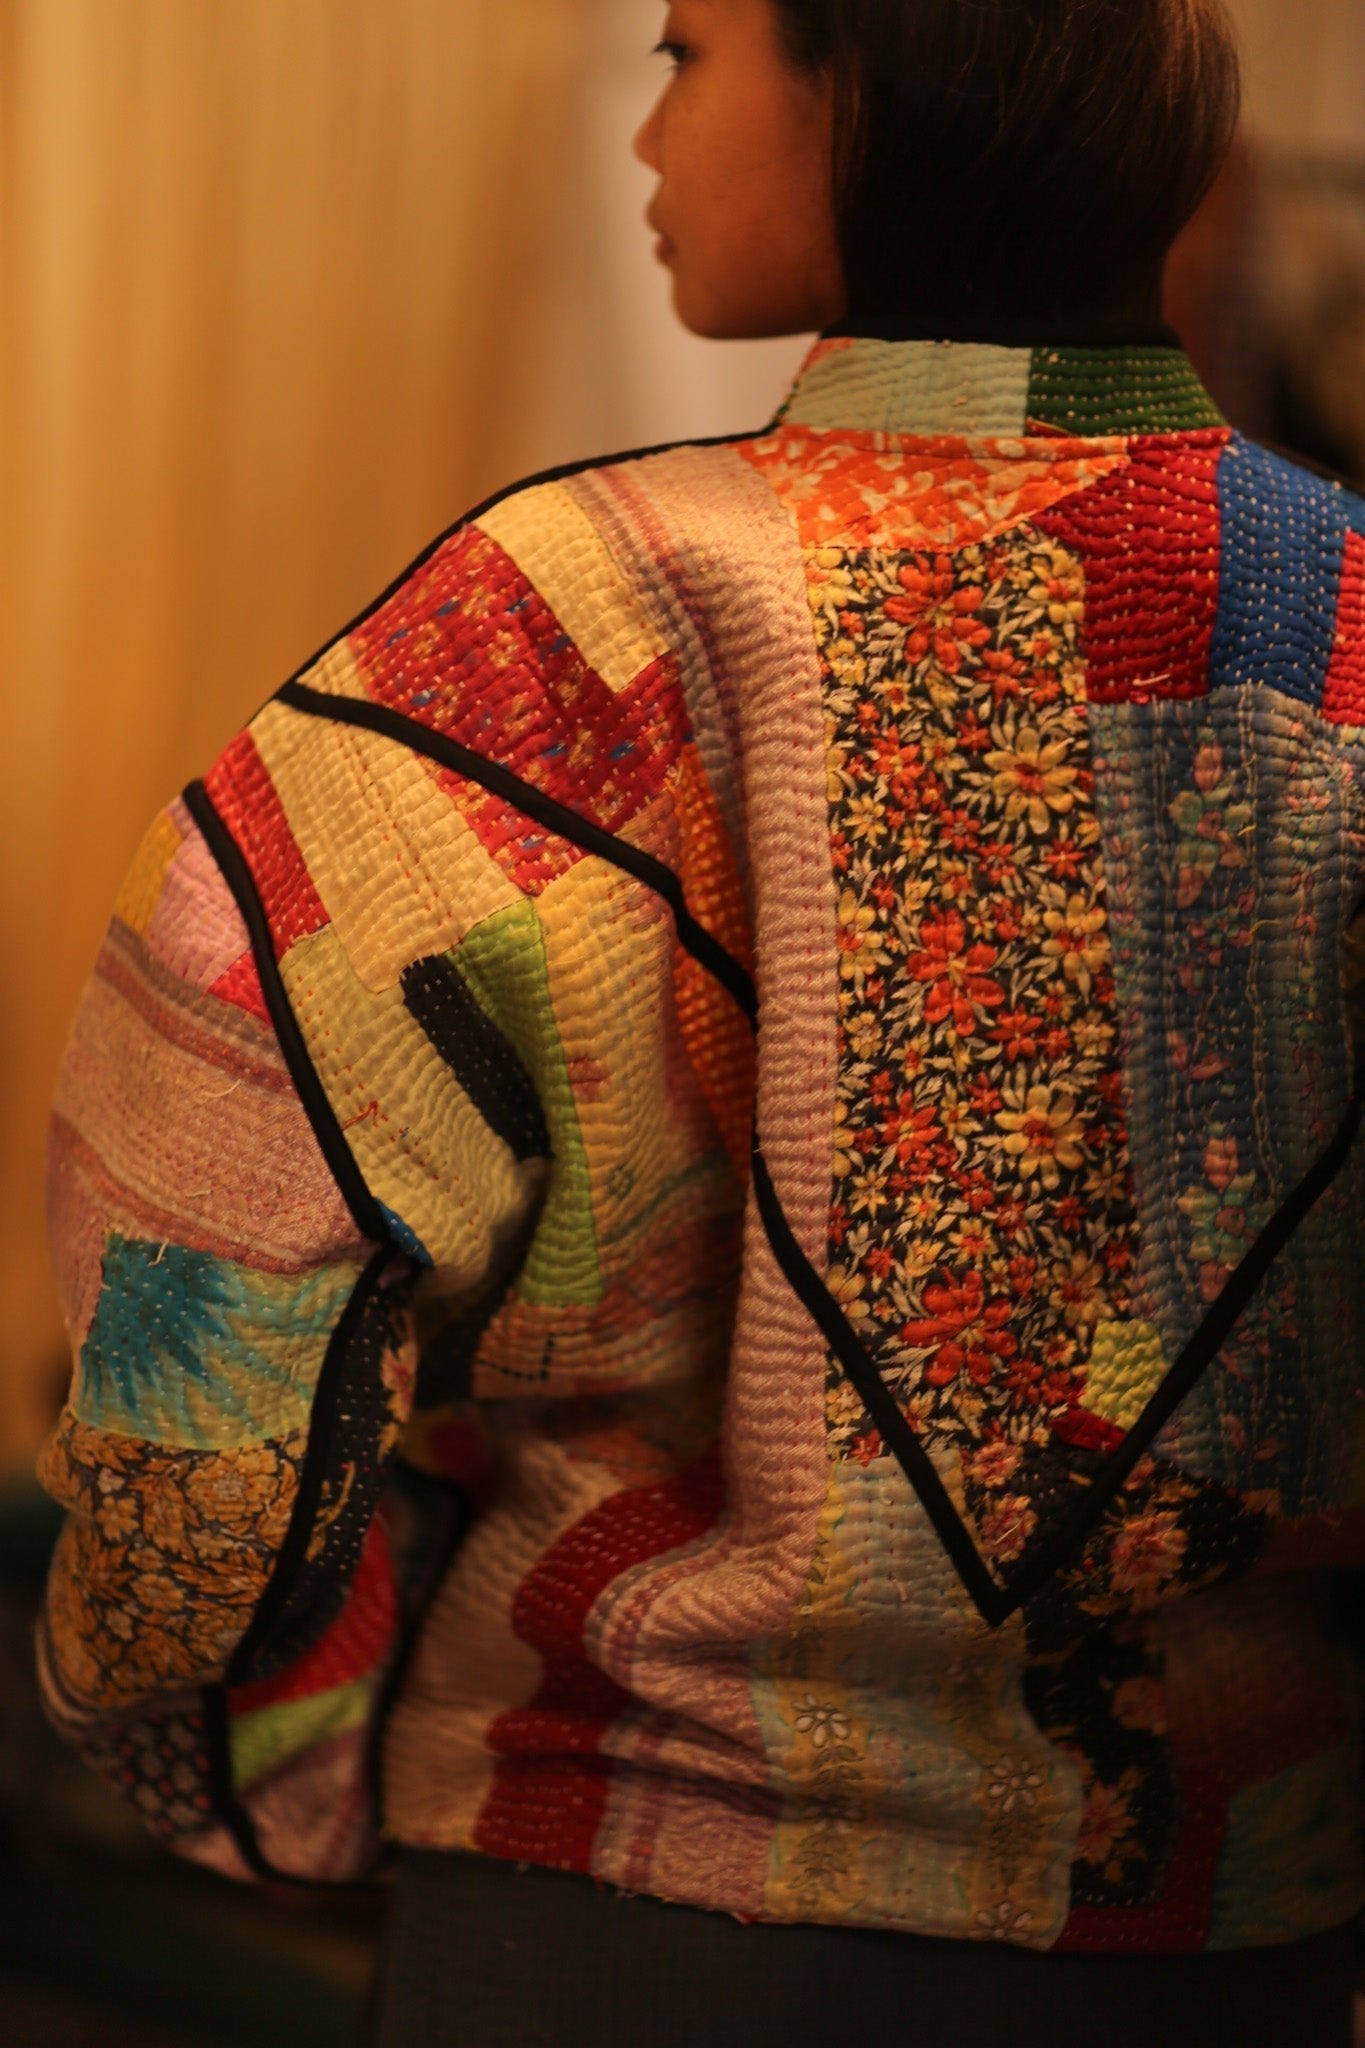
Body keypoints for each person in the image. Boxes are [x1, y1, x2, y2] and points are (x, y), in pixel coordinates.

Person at [35, 1, 1365, 2042]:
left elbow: (200, 1318)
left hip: (620, 1913)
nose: (647, 137)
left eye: (684, 55)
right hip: (1237, 1948)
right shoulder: (1344, 627)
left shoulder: (559, 628)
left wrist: (254, 1763)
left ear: (879, 83)